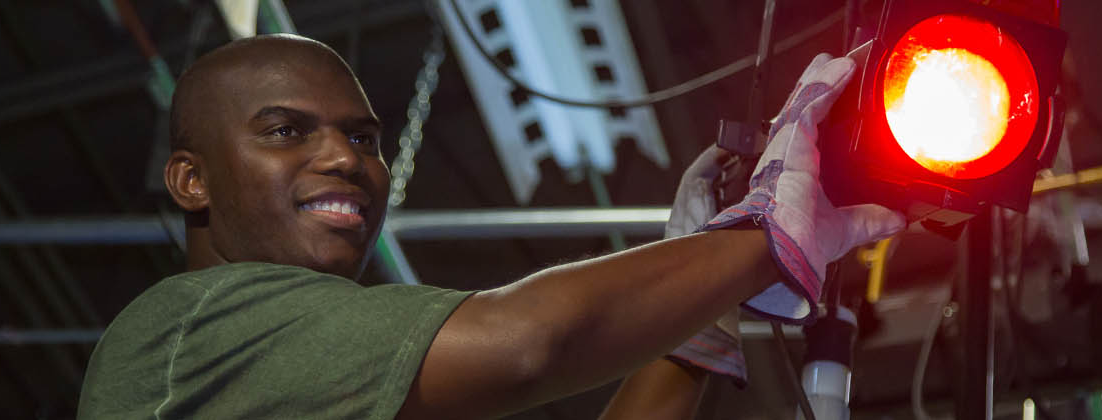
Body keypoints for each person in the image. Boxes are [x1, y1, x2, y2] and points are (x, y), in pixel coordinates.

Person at [78, 34, 903, 419]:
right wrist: (763, 236)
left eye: (363, 138)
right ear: (190, 180)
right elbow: (523, 344)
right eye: (286, 131)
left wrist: (699, 306)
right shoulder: (182, 334)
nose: (346, 160)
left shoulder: (339, 393)